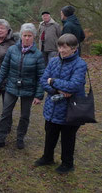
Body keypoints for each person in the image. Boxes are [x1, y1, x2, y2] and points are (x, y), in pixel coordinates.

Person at [35, 34, 87, 174]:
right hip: (52, 106)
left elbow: (73, 85)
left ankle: (67, 163)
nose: (62, 50)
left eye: (65, 47)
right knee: (50, 133)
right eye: (60, 47)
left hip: (70, 109)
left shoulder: (80, 64)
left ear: (74, 49)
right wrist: (56, 88)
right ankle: (47, 157)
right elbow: (43, 80)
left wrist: (53, 81)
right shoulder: (53, 61)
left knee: (67, 138)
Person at [0, 23, 45, 150]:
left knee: (25, 116)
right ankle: (0, 139)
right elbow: (4, 69)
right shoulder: (12, 50)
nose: (26, 38)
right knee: (5, 113)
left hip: (28, 89)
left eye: (29, 36)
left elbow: (41, 76)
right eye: (24, 35)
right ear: (20, 36)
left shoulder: (38, 55)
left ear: (33, 37)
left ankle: (20, 138)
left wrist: (39, 95)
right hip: (11, 86)